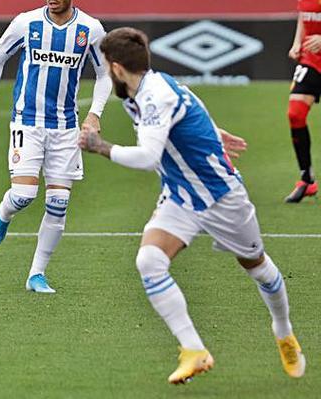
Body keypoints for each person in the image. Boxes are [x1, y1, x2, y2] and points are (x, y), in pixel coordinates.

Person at [80, 27, 305, 384]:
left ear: (118, 68)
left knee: (257, 266)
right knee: (149, 261)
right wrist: (215, 131)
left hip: (221, 196)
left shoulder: (153, 96)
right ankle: (194, 350)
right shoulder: (141, 88)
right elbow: (189, 98)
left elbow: (148, 157)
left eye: (107, 67)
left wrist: (99, 146)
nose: (107, 73)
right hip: (181, 195)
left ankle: (283, 331)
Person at [0, 0, 112, 293]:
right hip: (28, 122)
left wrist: (95, 113)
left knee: (59, 204)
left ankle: (36, 274)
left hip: (66, 127)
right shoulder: (26, 23)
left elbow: (106, 73)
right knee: (23, 195)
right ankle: (4, 214)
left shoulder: (90, 30)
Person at [285, 0, 321, 202]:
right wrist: (298, 42)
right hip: (311, 60)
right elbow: (303, 16)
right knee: (295, 113)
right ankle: (306, 178)